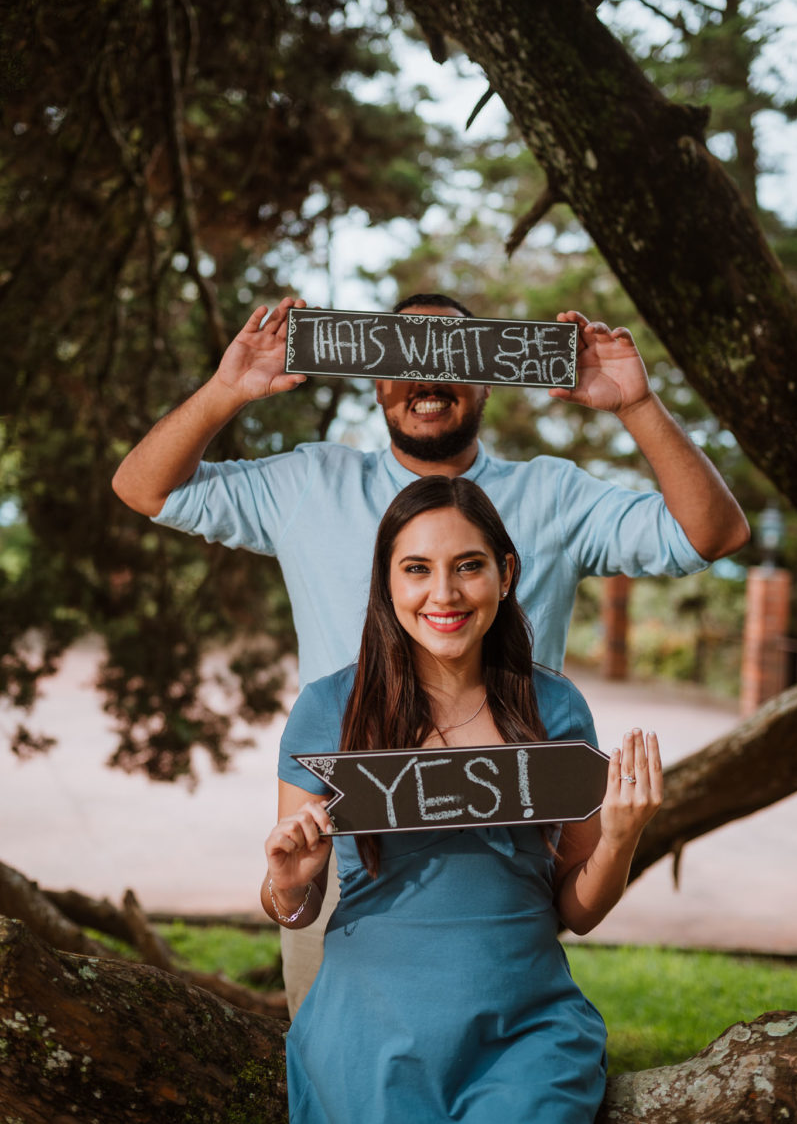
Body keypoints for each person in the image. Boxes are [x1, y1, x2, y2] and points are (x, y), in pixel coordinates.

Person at [111, 291, 749, 1014]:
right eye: (404, 355)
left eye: (454, 355)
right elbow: (142, 486)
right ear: (375, 379)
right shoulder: (309, 484)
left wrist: (637, 405)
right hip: (342, 843)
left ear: (488, 380)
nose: (428, 373)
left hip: (502, 862)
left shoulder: (553, 495)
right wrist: (227, 390)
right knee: (345, 1054)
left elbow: (713, 535)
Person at [262, 475, 663, 1122]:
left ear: (506, 574)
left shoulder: (556, 707)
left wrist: (620, 838)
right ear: (386, 581)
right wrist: (288, 884)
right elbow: (292, 906)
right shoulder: (328, 708)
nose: (444, 593)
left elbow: (578, 911)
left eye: (468, 566)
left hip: (526, 1026)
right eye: (417, 568)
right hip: (371, 1023)